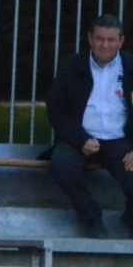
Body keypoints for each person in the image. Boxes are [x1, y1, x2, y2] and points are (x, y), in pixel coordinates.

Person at [46, 14, 133, 239]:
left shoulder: (131, 67)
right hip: (80, 139)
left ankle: (129, 221)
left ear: (121, 41)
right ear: (90, 39)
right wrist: (80, 139)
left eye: (111, 40)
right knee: (61, 165)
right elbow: (56, 110)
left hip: (120, 140)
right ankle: (91, 218)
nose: (105, 45)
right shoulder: (71, 66)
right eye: (100, 38)